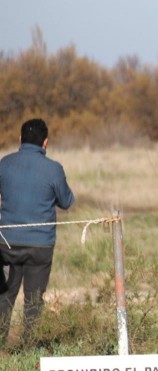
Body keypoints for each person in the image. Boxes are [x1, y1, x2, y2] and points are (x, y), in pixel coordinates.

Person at [0, 118, 75, 344]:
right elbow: (67, 201)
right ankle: (29, 347)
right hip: (40, 246)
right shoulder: (53, 169)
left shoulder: (4, 164)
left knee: (4, 296)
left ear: (20, 139)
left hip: (7, 244)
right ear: (45, 142)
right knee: (33, 300)